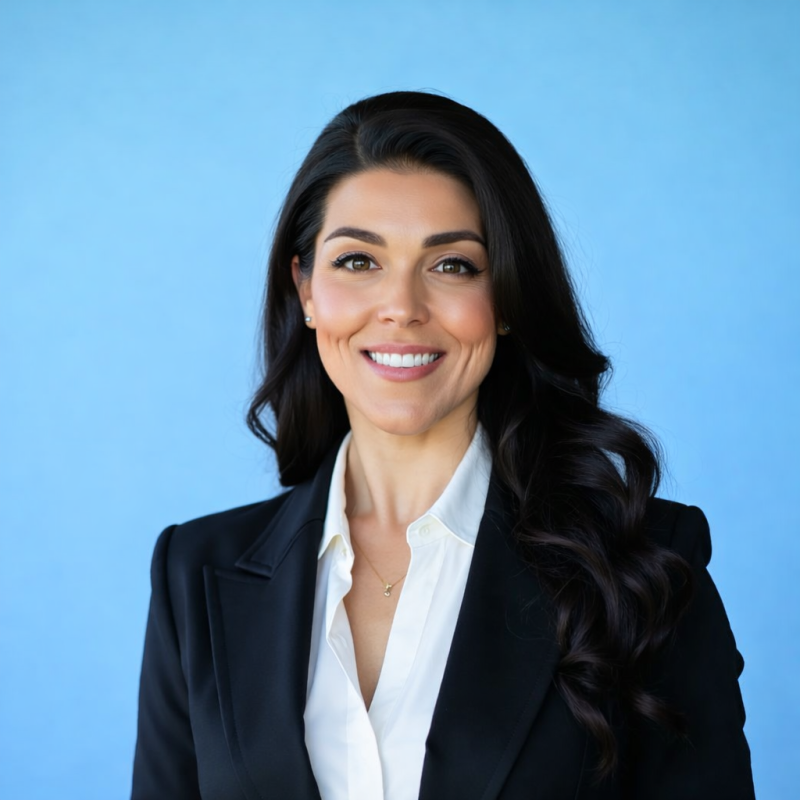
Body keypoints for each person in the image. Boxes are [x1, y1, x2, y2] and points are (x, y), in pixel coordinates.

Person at [130, 91, 755, 800]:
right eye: (358, 261)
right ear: (305, 289)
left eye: (452, 264)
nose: (401, 305)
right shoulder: (194, 575)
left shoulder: (645, 567)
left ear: (510, 297)